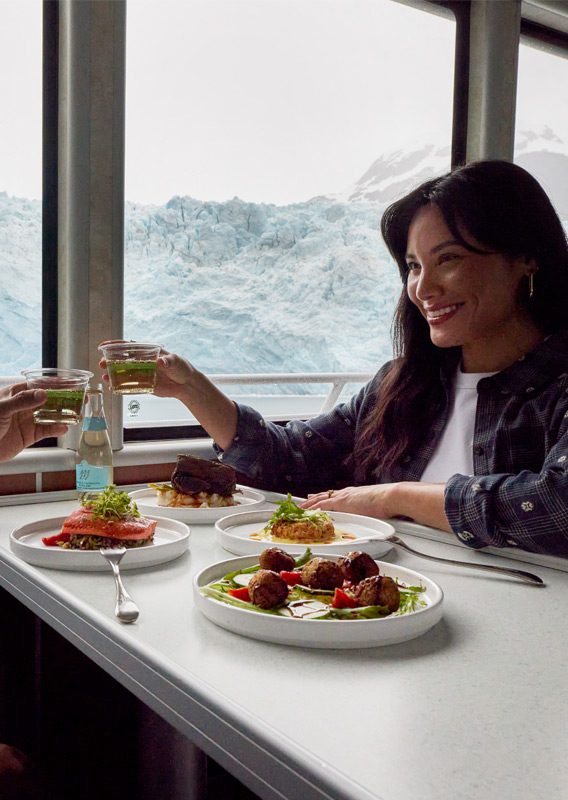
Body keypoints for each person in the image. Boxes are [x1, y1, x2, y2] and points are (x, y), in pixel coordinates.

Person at [102, 160, 568, 557]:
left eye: (448, 260)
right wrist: (190, 388)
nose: (423, 289)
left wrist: (394, 497)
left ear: (525, 257)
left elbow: (558, 505)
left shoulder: (558, 388)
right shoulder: (401, 386)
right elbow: (289, 461)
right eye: (413, 267)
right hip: (391, 608)